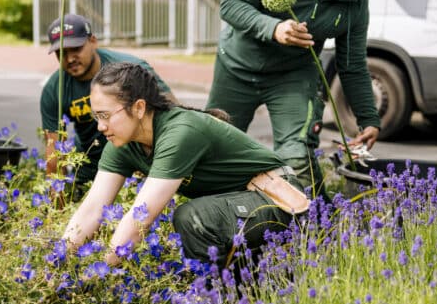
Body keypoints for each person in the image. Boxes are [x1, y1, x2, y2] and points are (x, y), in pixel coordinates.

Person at [62, 62, 308, 267]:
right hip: (235, 206)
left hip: (277, 198)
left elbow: (139, 221)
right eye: (96, 116)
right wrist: (58, 262)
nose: (100, 126)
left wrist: (99, 273)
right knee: (197, 217)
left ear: (138, 108)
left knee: (192, 217)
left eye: (105, 115)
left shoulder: (179, 132)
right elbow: (92, 209)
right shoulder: (122, 142)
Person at [206, 0, 391, 195]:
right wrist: (273, 28)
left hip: (294, 75)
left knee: (298, 156)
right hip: (237, 67)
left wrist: (368, 118)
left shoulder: (356, 3)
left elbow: (352, 64)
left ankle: (310, 226)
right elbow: (231, 5)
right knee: (216, 148)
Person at [40, 14, 171, 190]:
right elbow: (54, 155)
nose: (70, 59)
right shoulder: (54, 89)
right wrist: (57, 211)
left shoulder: (131, 69)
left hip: (138, 166)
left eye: (76, 49)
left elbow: (171, 115)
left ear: (93, 41)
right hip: (91, 168)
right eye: (61, 53)